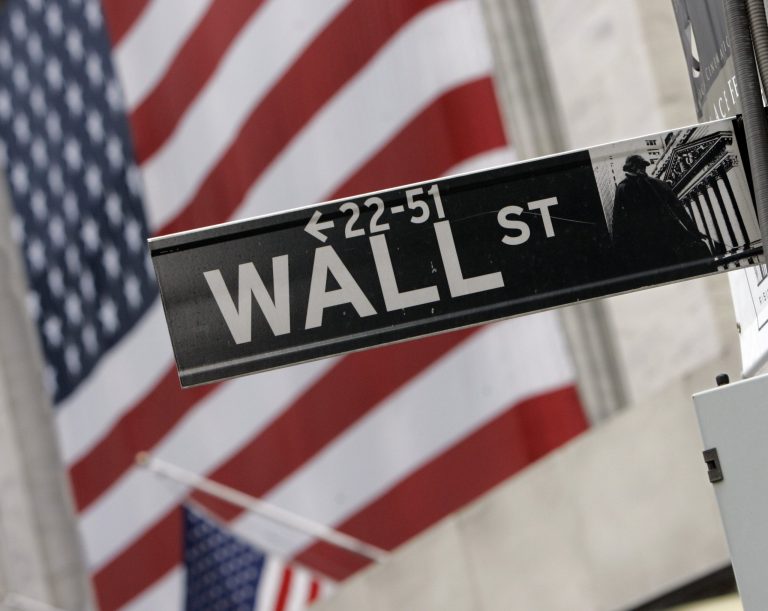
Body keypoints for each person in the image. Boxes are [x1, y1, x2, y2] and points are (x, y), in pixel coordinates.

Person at [611, 154, 715, 273]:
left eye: (644, 166)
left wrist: (693, 230)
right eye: (640, 166)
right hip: (646, 241)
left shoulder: (657, 184)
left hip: (665, 237)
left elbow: (679, 209)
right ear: (632, 167)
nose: (644, 169)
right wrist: (619, 246)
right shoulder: (623, 188)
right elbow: (617, 220)